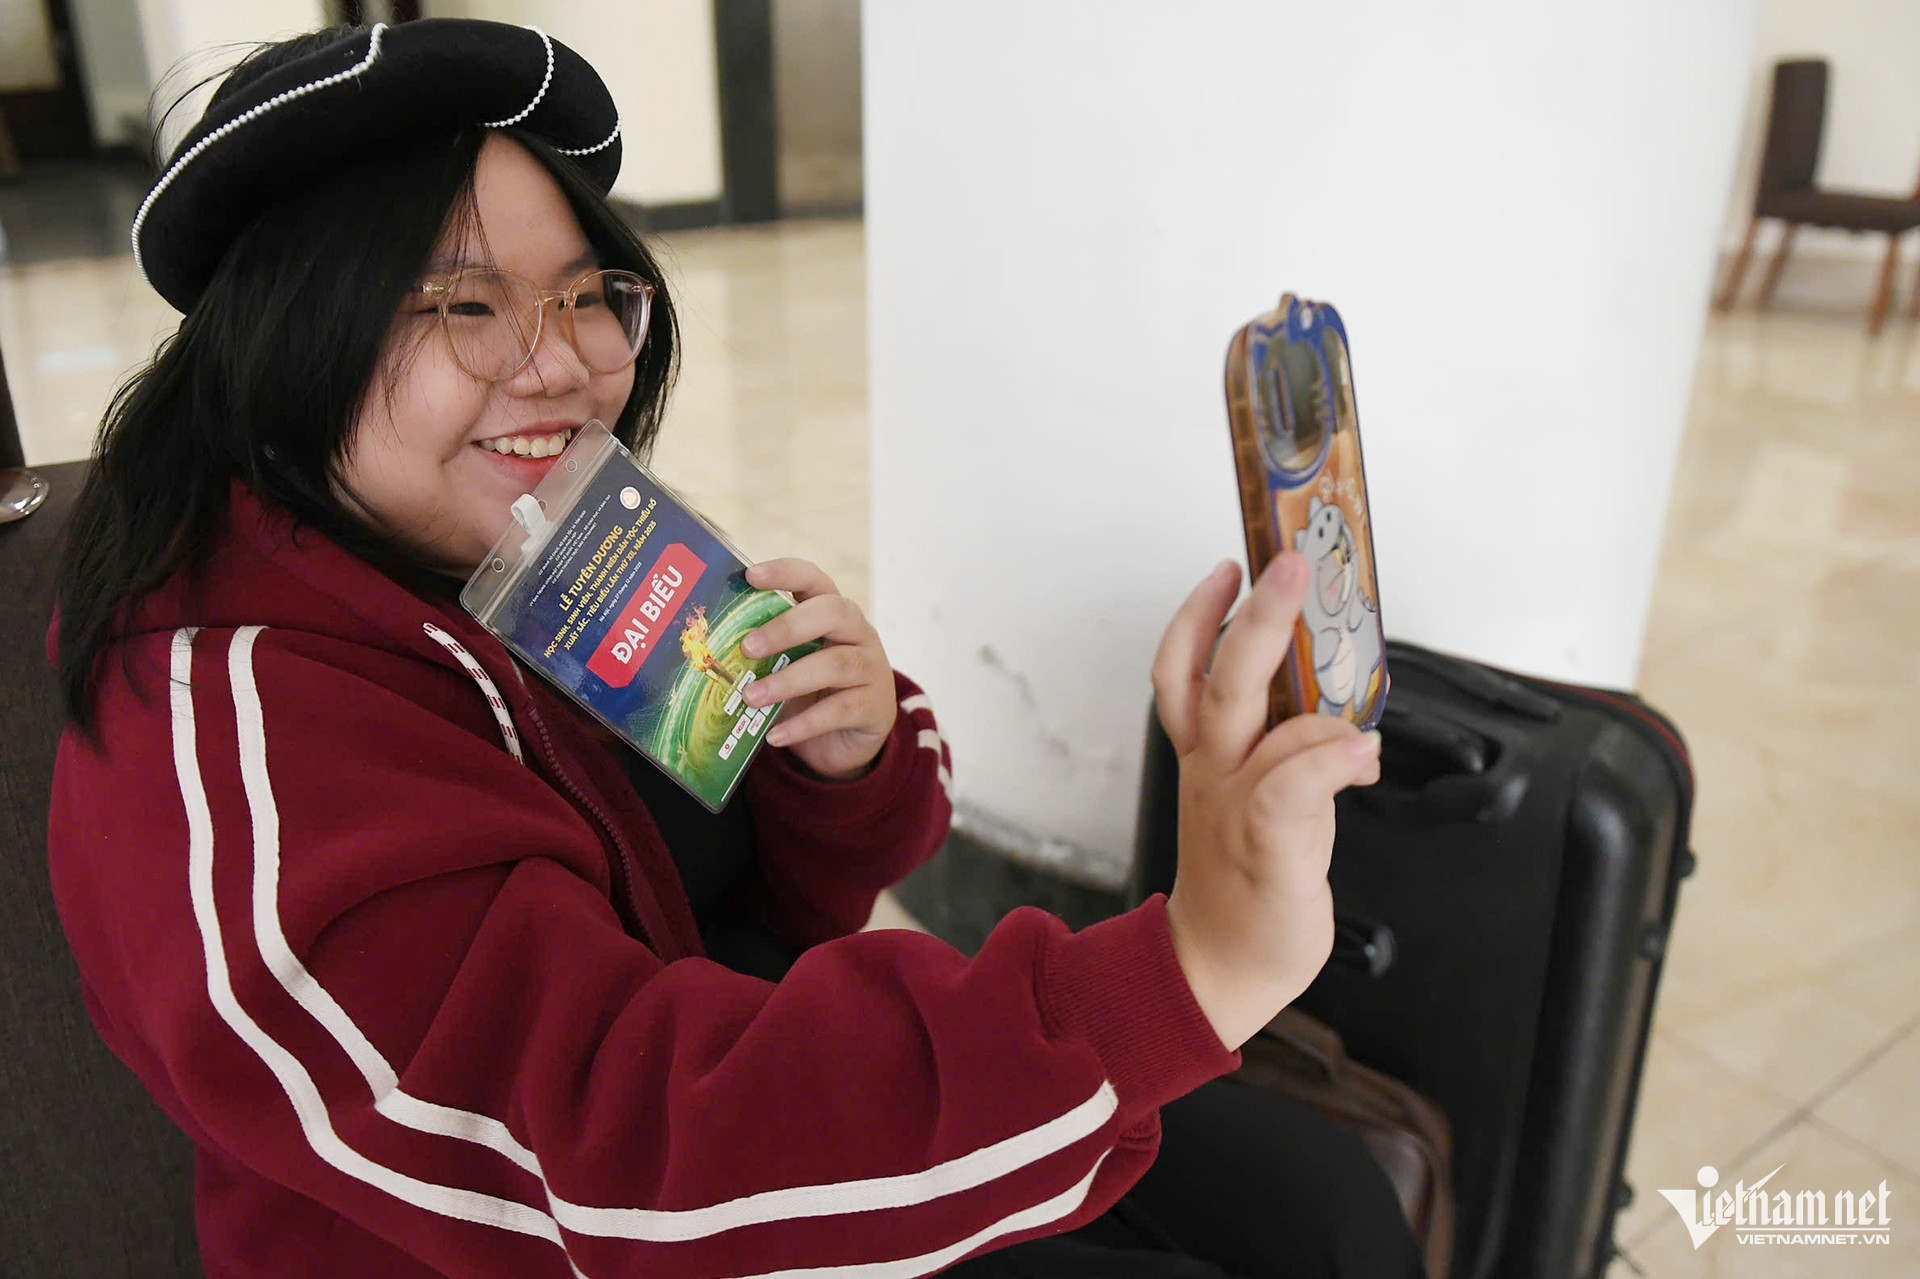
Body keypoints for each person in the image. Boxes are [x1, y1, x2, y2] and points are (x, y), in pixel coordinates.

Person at [46, 20, 1420, 1279]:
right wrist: (1193, 969)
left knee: (1316, 1203)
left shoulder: (538, 551)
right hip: (584, 1227)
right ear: (284, 343)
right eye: (462, 305)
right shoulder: (222, 752)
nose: (563, 363)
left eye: (588, 294)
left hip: (729, 1079)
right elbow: (621, 1164)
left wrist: (842, 767)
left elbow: (777, 910)